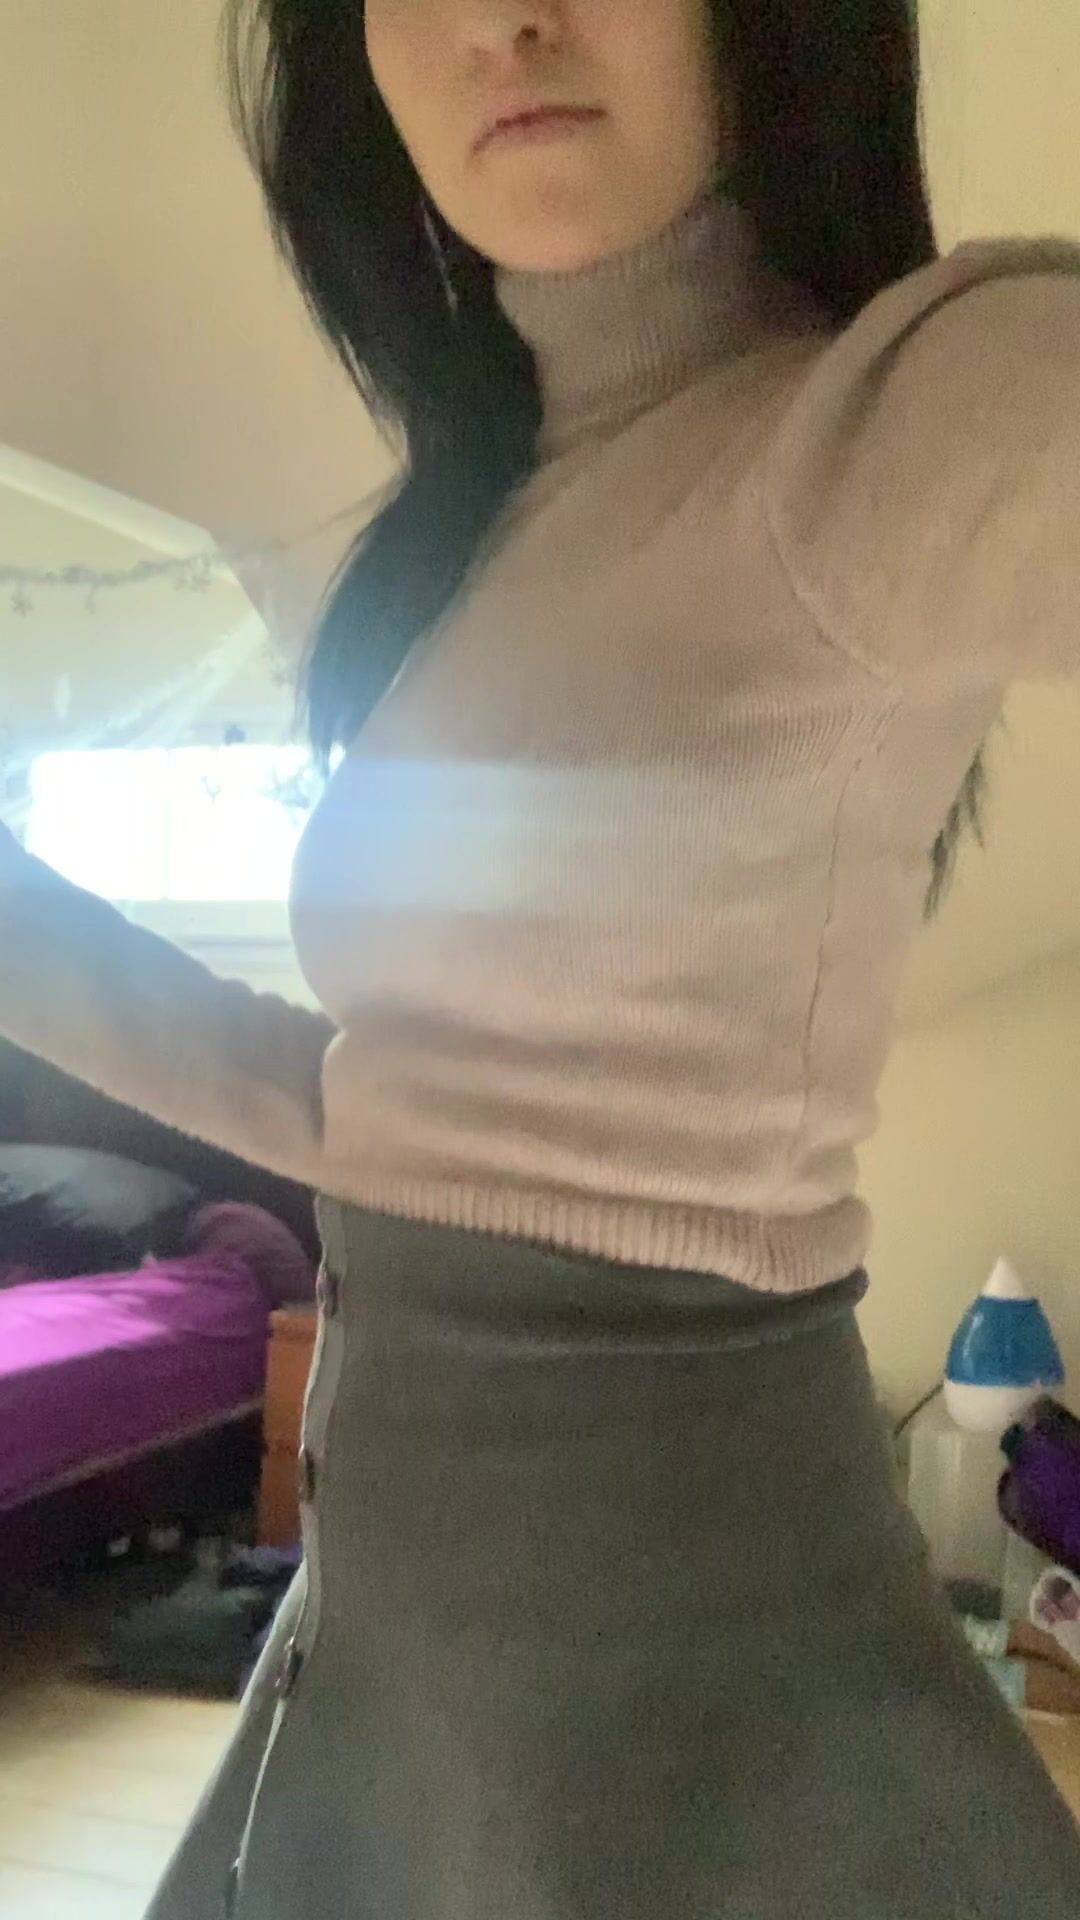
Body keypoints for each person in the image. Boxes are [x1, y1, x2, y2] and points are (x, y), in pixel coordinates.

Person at [3, 0, 1080, 1913]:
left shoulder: (889, 421)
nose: (504, 18)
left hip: (698, 1739)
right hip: (388, 1670)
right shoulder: (478, 529)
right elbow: (374, 1109)